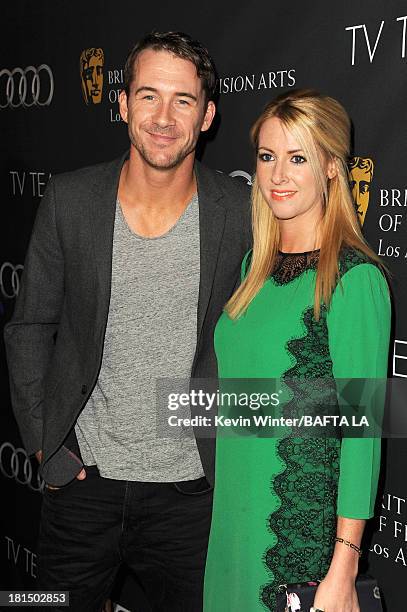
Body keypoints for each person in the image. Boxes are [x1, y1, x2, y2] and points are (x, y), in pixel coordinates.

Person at [4, 31, 251, 611]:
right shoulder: (71, 200)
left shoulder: (241, 212)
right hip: (82, 482)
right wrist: (46, 447)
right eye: (148, 96)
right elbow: (29, 327)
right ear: (121, 104)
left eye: (183, 100)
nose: (164, 117)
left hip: (193, 494)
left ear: (208, 115)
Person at [203, 89, 390, 612]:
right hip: (230, 525)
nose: (278, 175)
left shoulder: (354, 280)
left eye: (298, 157)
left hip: (297, 544)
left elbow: (364, 431)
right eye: (267, 157)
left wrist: (344, 567)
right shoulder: (251, 271)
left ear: (331, 167)